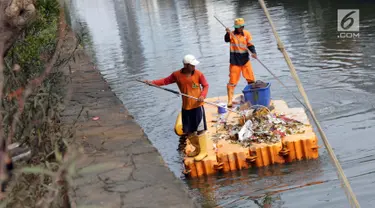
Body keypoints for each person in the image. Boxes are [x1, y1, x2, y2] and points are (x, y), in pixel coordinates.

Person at [145, 54, 209, 161]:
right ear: (186, 65)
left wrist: (202, 95)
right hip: (186, 107)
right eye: (192, 65)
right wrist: (152, 83)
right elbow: (165, 81)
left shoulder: (199, 74)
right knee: (188, 131)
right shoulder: (177, 75)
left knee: (200, 130)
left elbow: (206, 86)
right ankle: (197, 149)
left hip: (198, 106)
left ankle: (204, 152)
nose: (194, 67)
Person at [224, 18, 258, 108]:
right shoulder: (231, 34)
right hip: (235, 62)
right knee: (232, 82)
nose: (240, 29)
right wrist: (227, 33)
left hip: (245, 61)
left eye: (241, 27)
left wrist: (254, 53)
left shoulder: (246, 34)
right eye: (238, 27)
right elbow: (226, 39)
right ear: (235, 28)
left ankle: (253, 99)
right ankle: (230, 100)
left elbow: (250, 45)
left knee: (251, 80)